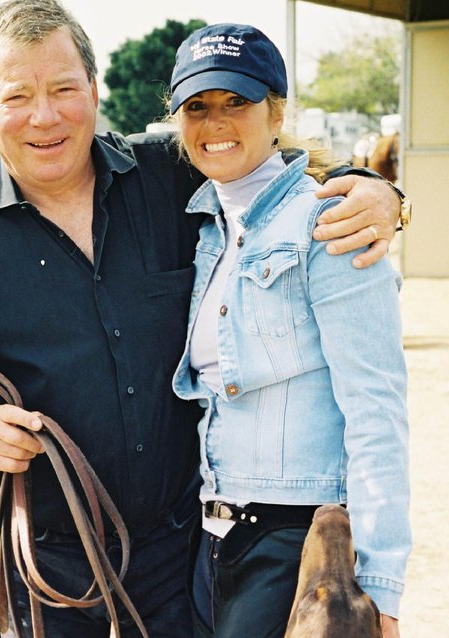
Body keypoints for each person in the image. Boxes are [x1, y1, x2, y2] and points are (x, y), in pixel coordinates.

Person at [0, 1, 405, 636]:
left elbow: (269, 170)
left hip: (181, 555)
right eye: (19, 96)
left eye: (65, 89)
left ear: (94, 93)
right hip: (43, 566)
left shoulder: (170, 177)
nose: (45, 116)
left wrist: (376, 191)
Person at [167, 23, 410, 638]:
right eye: (197, 107)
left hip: (294, 540)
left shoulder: (328, 224)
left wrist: (380, 586)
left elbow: (376, 407)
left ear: (276, 111)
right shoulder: (204, 232)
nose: (215, 123)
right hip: (208, 539)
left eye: (236, 102)